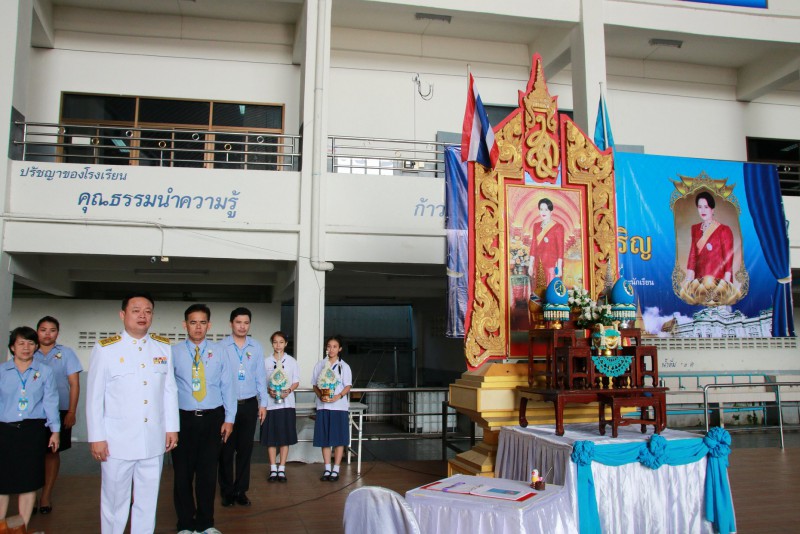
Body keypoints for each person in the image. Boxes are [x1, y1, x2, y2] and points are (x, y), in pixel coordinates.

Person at [86, 294, 179, 534]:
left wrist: (172, 428)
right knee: (114, 503)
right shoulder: (106, 349)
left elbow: (169, 390)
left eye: (148, 311)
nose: (142, 315)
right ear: (122, 314)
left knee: (147, 502)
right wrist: (96, 437)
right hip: (117, 442)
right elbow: (94, 397)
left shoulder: (163, 347)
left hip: (152, 440)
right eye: (136, 310)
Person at [171, 304, 236, 534]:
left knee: (208, 474)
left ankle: (206, 523)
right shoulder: (173, 352)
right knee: (182, 475)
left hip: (213, 419)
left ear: (209, 325)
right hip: (183, 420)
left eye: (202, 322)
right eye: (193, 322)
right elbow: (167, 390)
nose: (198, 327)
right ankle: (185, 524)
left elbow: (228, 386)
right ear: (185, 325)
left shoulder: (220, 351)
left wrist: (229, 419)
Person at [0, 327, 60, 529]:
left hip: (33, 431)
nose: (26, 347)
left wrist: (55, 432)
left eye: (31, 343)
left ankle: (22, 528)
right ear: (12, 347)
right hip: (5, 430)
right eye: (21, 343)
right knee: (2, 483)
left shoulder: (45, 372)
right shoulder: (2, 371)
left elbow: (50, 402)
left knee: (29, 482)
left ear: (36, 346)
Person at [218, 307, 267, 507]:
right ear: (231, 323)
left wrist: (263, 403)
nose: (242, 326)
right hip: (225, 407)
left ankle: (241, 491)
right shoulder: (221, 347)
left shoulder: (256, 347)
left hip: (248, 404)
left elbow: (261, 377)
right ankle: (227, 491)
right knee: (225, 451)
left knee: (245, 450)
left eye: (246, 323)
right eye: (238, 322)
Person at [34, 316, 83, 515]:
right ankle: (30, 494)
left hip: (59, 410)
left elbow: (74, 384)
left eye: (52, 330)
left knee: (52, 453)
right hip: (33, 412)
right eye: (43, 329)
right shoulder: (29, 350)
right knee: (31, 453)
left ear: (57, 333)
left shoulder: (66, 353)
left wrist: (71, 411)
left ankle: (46, 496)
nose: (47, 334)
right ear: (37, 331)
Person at [312, 335, 352, 483]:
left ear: (340, 349)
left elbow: (347, 386)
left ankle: (336, 469)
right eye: (329, 346)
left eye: (335, 346)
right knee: (325, 438)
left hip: (339, 407)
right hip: (323, 406)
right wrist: (320, 395)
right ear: (326, 348)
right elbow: (315, 385)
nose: (331, 349)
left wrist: (338, 396)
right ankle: (327, 468)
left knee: (338, 439)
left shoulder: (344, 366)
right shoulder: (320, 365)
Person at [261, 331, 300, 483]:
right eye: (275, 342)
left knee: (284, 438)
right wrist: (268, 390)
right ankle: (273, 468)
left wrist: (288, 391)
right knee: (271, 438)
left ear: (286, 344)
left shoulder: (291, 361)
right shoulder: (266, 362)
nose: (278, 345)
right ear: (272, 344)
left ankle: (282, 468)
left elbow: (296, 381)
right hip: (270, 406)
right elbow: (261, 382)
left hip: (287, 404)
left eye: (281, 342)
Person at [686, 191, 734, 283]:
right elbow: (693, 255)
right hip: (699, 281)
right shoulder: (695, 229)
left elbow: (728, 259)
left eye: (706, 207)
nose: (702, 211)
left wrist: (727, 283)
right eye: (700, 207)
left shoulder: (724, 230)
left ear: (712, 209)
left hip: (718, 280)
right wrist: (688, 279)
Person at [528, 197, 565, 290]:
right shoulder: (536, 226)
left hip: (551, 265)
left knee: (550, 290)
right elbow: (533, 246)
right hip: (538, 264)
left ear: (551, 211)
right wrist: (530, 265)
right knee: (538, 291)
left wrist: (559, 267)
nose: (543, 212)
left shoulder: (558, 227)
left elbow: (560, 249)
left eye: (546, 209)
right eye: (541, 209)